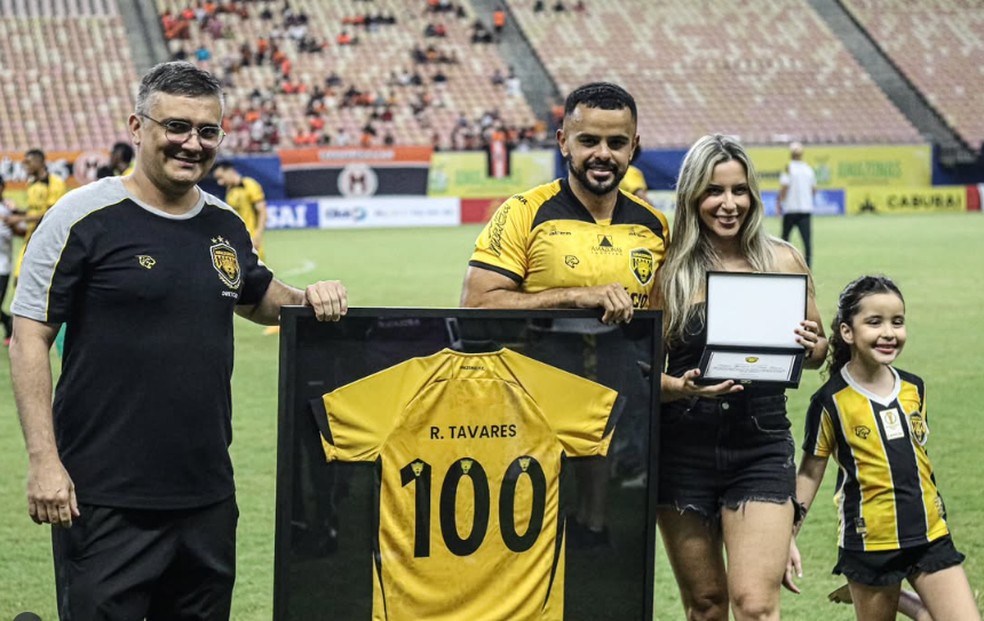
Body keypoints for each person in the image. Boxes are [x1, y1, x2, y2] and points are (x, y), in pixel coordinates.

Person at [8, 61, 348, 619]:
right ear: (138, 127)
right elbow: (28, 338)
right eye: (176, 127)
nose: (192, 143)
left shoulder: (223, 224)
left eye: (207, 131)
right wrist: (45, 462)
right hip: (103, 495)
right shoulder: (81, 218)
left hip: (206, 493)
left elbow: (257, 296)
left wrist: (311, 299)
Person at [461, 82, 670, 545]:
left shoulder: (654, 226)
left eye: (616, 143)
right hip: (529, 396)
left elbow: (663, 323)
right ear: (563, 142)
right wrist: (572, 296)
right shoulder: (523, 213)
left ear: (633, 147)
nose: (603, 154)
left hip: (618, 394)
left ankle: (592, 525)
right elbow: (477, 303)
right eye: (588, 141)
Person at [654, 134, 826, 621]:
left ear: (753, 194)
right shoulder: (668, 271)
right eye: (714, 191)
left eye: (739, 190)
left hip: (760, 443)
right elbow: (641, 373)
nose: (728, 204)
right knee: (707, 606)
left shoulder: (782, 259)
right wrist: (681, 387)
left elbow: (816, 352)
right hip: (682, 448)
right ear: (692, 196)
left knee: (754, 604)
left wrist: (814, 345)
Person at [788, 275, 979, 621]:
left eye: (898, 322)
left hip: (929, 533)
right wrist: (787, 536)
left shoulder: (914, 388)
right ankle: (897, 598)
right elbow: (810, 472)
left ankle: (907, 600)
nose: (889, 332)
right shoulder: (830, 401)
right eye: (874, 322)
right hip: (870, 544)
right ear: (848, 332)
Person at [7, 148, 68, 283]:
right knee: (19, 280)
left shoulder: (55, 183)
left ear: (39, 162)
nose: (24, 165)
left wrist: (20, 218)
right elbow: (34, 211)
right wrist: (17, 212)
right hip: (30, 238)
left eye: (28, 162)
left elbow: (51, 215)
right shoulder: (31, 184)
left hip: (48, 241)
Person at [212, 160, 269, 258]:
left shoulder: (249, 185)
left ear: (230, 171)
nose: (220, 182)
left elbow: (262, 212)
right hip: (237, 241)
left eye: (221, 178)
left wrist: (257, 236)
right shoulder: (229, 191)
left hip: (251, 239)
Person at [778, 141, 816, 267]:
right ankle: (808, 268)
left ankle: (782, 265)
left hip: (791, 209)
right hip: (805, 210)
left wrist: (779, 202)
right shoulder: (808, 169)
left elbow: (784, 187)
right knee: (807, 242)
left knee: (784, 240)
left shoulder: (789, 168)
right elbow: (813, 189)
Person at [0, 174, 14, 344]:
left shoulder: (7, 210)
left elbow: (19, 229)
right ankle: (8, 322)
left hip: (2, 266)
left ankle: (9, 324)